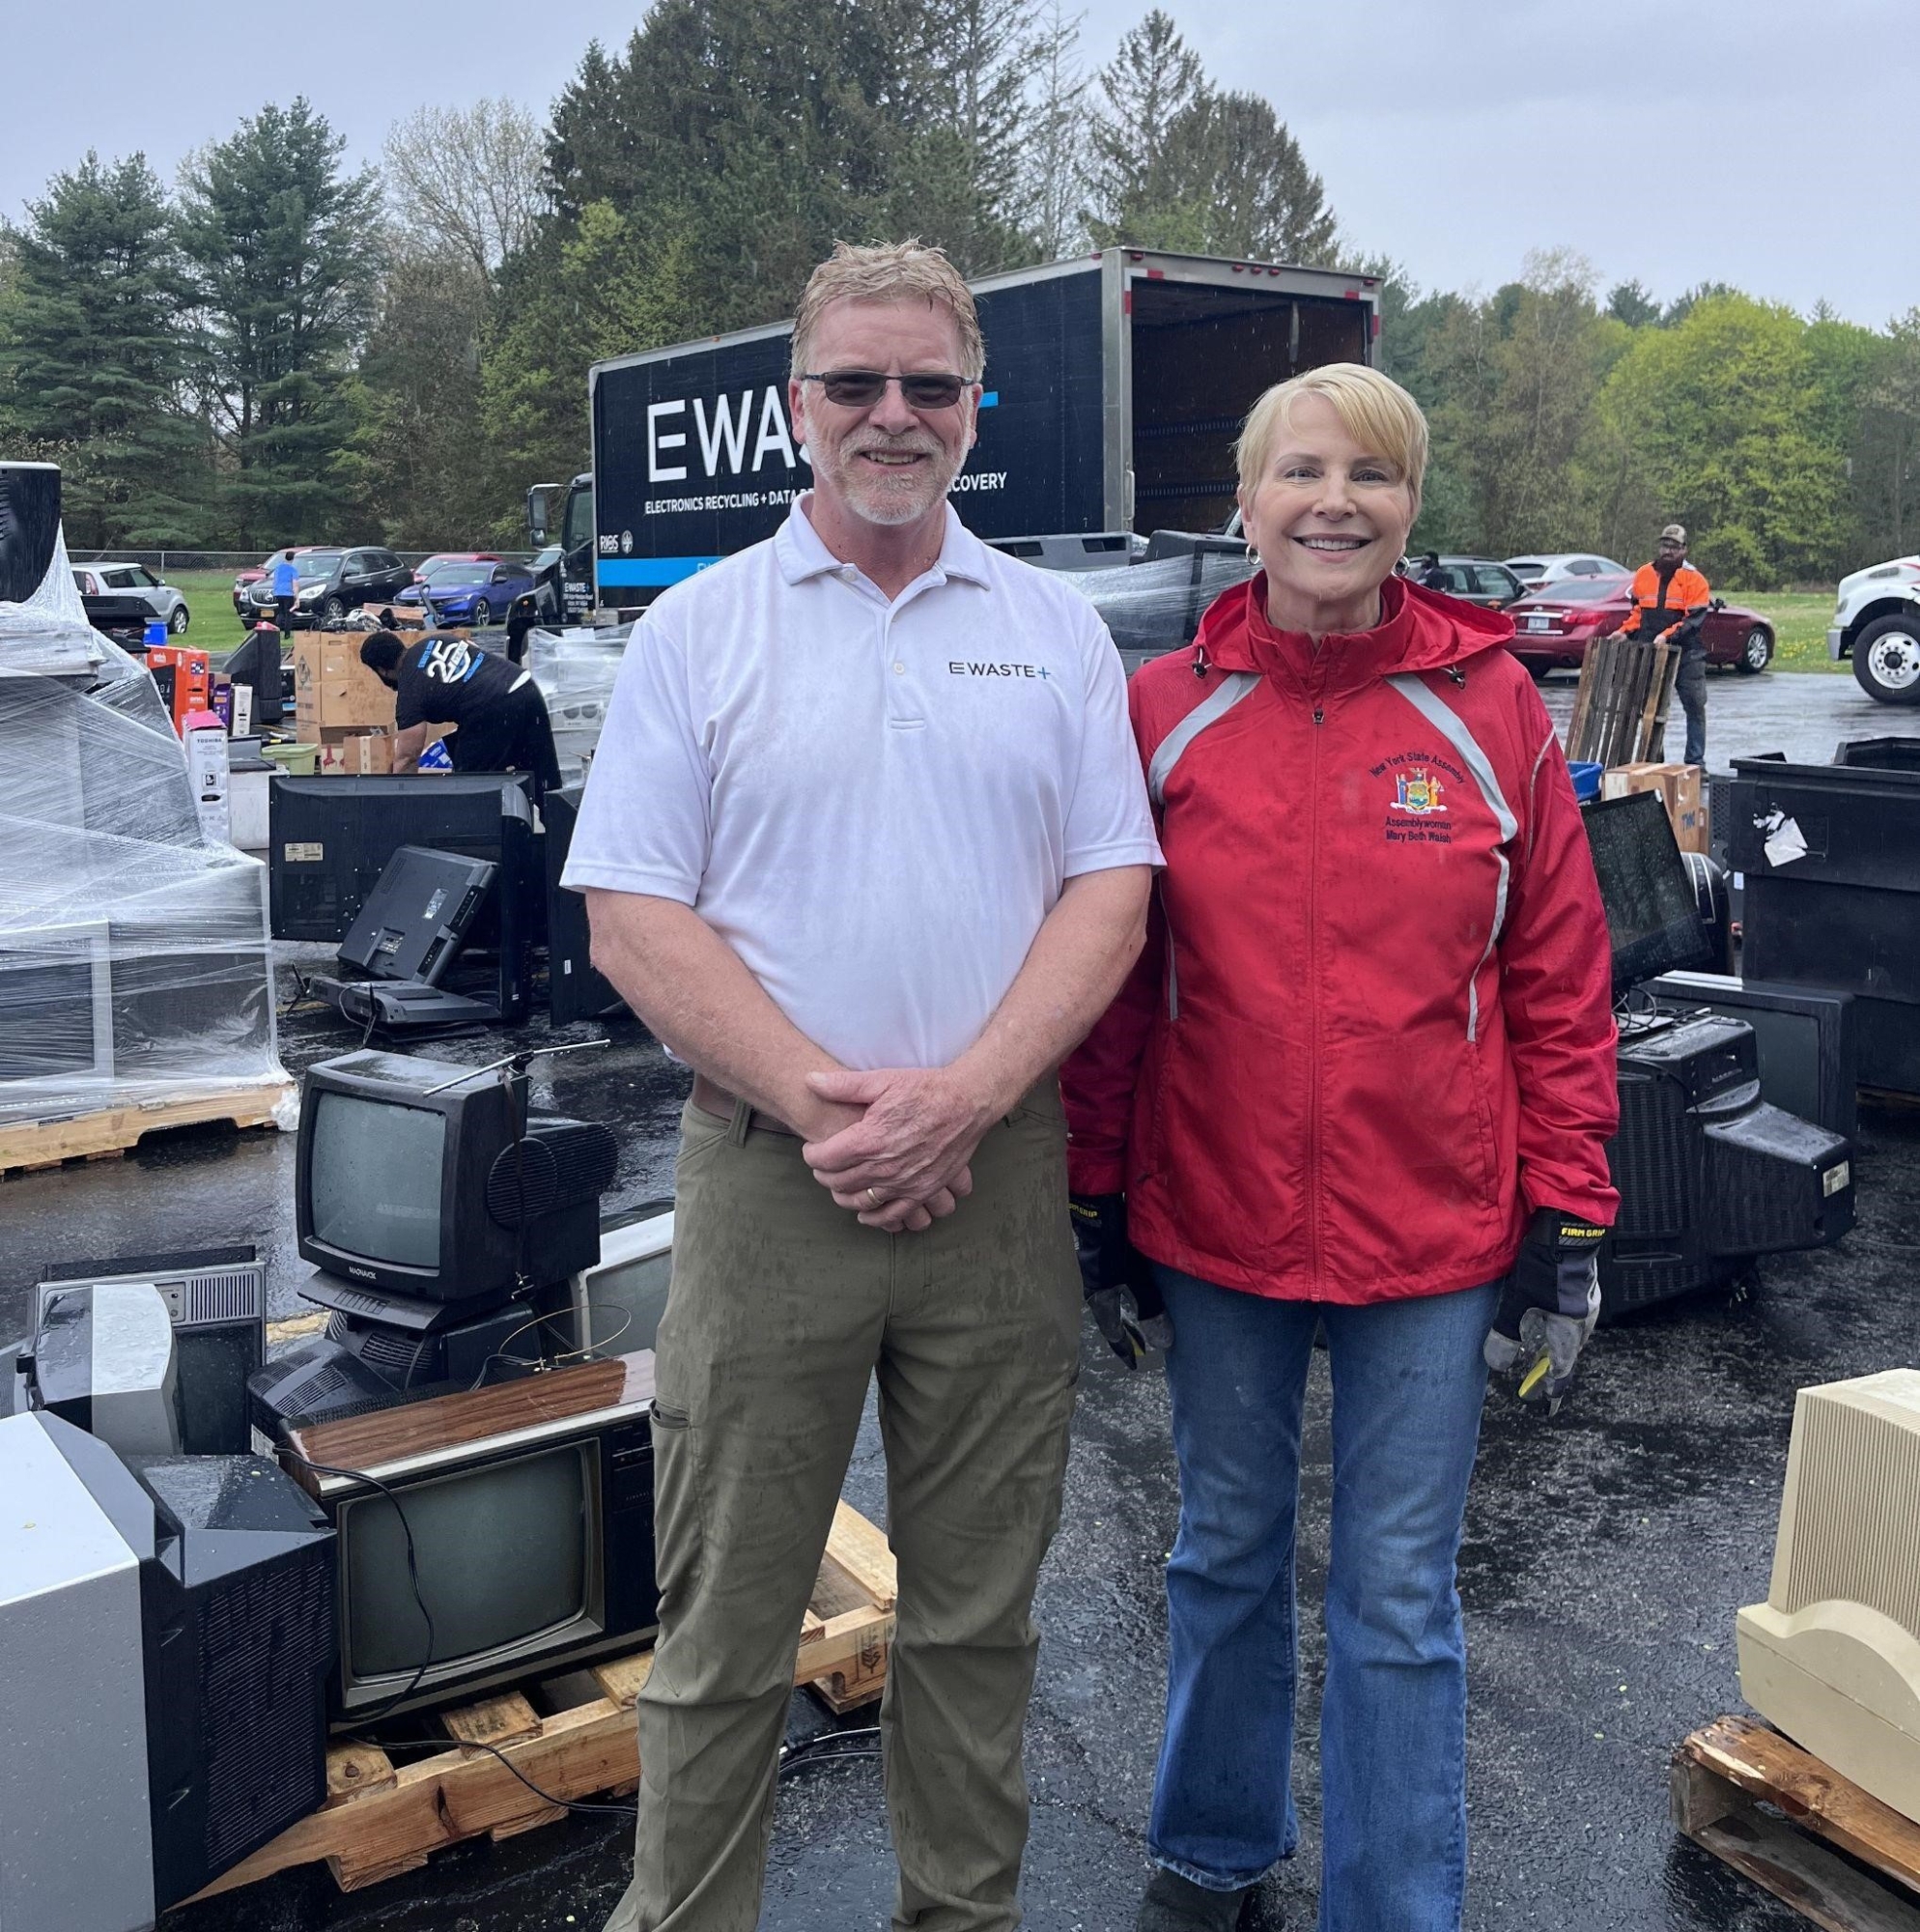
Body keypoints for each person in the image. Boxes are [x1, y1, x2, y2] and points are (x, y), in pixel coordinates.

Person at [560, 240, 1159, 1932]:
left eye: (928, 385)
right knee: (723, 1631)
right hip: (774, 1184)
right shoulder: (701, 632)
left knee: (977, 1625)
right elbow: (631, 915)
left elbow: (1109, 891)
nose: (892, 414)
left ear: (976, 406)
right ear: (795, 406)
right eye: (854, 383)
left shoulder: (1051, 630)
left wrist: (963, 1096)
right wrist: (832, 1106)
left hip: (993, 1185)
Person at [1061, 362, 1620, 1932]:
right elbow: (1114, 982)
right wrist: (1092, 1193)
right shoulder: (1164, 711)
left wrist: (1570, 1214)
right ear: (1244, 505)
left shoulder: (1491, 707)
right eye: (1300, 471)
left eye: (1370, 474)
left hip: (1434, 1232)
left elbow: (1558, 976)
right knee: (1223, 1553)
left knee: (1397, 1596)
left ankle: (1393, 1905)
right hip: (1214, 1219)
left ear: (1408, 506)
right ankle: (1210, 1850)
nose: (1334, 501)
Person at [357, 629, 560, 800]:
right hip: (523, 685)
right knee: (544, 780)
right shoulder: (436, 641)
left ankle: (477, 833)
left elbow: (408, 758)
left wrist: (398, 804)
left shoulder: (410, 690)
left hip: (494, 708)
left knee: (468, 787)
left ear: (382, 671)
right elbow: (473, 650)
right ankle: (560, 830)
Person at [1618, 522, 1712, 766]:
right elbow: (1638, 612)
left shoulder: (1695, 580)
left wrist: (1667, 636)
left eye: (1674, 547)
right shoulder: (1643, 574)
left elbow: (1693, 620)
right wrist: (1624, 631)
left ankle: (1695, 764)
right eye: (1665, 545)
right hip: (1652, 654)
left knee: (1695, 707)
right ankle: (1654, 762)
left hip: (1687, 655)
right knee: (1651, 709)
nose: (1668, 551)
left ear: (1684, 550)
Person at [269, 548, 298, 635]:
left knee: (281, 612)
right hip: (288, 593)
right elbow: (295, 584)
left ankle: (275, 629)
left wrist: (275, 590)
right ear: (293, 559)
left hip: (278, 592)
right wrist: (297, 597)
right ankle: (287, 633)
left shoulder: (278, 568)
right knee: (288, 613)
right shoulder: (293, 569)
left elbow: (275, 580)